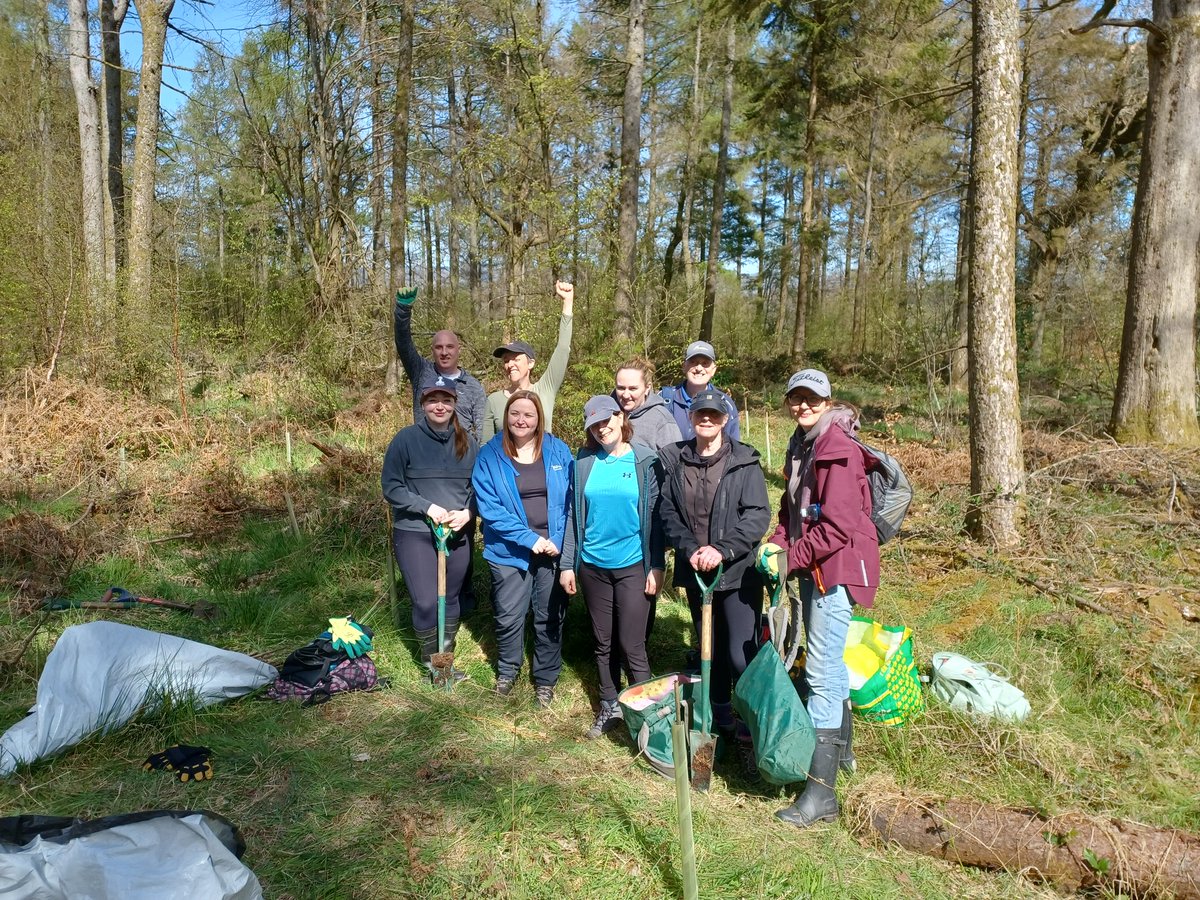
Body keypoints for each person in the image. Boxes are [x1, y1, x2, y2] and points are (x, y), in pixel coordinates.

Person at [760, 368, 880, 828]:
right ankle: (843, 754)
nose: (803, 406)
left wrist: (789, 560)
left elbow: (837, 527)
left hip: (837, 571)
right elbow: (793, 514)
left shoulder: (839, 449)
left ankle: (820, 795)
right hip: (814, 567)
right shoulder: (802, 443)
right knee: (829, 664)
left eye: (812, 399)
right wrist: (776, 543)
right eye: (796, 398)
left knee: (823, 673)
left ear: (828, 401)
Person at [658, 388, 770, 738]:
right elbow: (667, 511)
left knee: (740, 653)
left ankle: (761, 722)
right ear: (691, 419)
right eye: (700, 414)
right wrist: (690, 548)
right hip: (696, 572)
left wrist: (721, 549)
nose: (707, 419)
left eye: (714, 415)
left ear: (725, 420)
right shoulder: (677, 460)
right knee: (710, 649)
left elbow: (757, 516)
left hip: (737, 572)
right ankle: (720, 717)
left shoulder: (744, 461)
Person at [560, 395, 665, 739]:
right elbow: (574, 518)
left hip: (633, 565)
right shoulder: (584, 463)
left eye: (607, 420)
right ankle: (609, 705)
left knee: (632, 643)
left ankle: (648, 715)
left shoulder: (645, 461)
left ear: (621, 418)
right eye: (594, 424)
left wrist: (657, 566)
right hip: (593, 567)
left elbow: (655, 521)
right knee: (602, 642)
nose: (602, 428)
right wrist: (567, 565)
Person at [472, 391, 573, 708]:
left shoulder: (558, 450)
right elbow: (491, 510)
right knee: (509, 616)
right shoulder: (489, 456)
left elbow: (572, 500)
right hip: (508, 551)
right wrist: (531, 539)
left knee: (549, 616)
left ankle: (545, 680)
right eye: (515, 413)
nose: (521, 420)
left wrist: (557, 539)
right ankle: (507, 671)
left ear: (539, 418)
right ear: (506, 416)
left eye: (528, 414)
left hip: (552, 549)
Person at [382, 376, 479, 682]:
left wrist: (468, 513)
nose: (440, 406)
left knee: (450, 600)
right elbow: (391, 487)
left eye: (446, 401)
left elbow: (481, 488)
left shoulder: (469, 443)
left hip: (457, 533)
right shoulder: (405, 440)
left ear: (454, 405)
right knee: (426, 600)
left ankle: (445, 665)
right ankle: (430, 665)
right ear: (423, 404)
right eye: (433, 401)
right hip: (415, 533)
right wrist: (428, 508)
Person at [480, 282, 574, 441]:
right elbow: (485, 446)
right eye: (506, 360)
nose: (510, 365)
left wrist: (568, 303)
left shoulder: (545, 389)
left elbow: (563, 349)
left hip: (541, 464)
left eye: (516, 359)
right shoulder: (494, 400)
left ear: (530, 363)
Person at [393, 287, 486, 441]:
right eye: (439, 347)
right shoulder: (421, 372)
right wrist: (403, 310)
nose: (444, 352)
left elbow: (483, 431)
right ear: (432, 350)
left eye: (449, 347)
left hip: (460, 458)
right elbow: (403, 343)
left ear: (458, 350)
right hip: (424, 455)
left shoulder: (473, 386)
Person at [660, 340, 740, 441]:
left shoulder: (726, 404)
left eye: (705, 363)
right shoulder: (664, 399)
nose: (699, 368)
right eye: (693, 362)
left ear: (713, 370)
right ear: (684, 366)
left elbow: (733, 447)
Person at [613, 357, 682, 451]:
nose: (625, 395)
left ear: (647, 388)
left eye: (633, 389)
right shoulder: (608, 413)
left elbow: (674, 461)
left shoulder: (662, 420)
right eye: (621, 388)